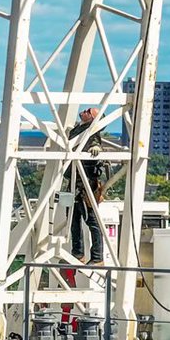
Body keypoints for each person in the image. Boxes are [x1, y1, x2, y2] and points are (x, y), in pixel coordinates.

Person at [68, 106, 108, 264]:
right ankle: (78, 253)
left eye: (88, 111)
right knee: (73, 218)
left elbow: (96, 143)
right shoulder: (80, 128)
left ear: (92, 119)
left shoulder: (91, 133)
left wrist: (96, 148)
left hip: (86, 183)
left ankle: (97, 256)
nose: (84, 111)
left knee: (91, 219)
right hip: (75, 178)